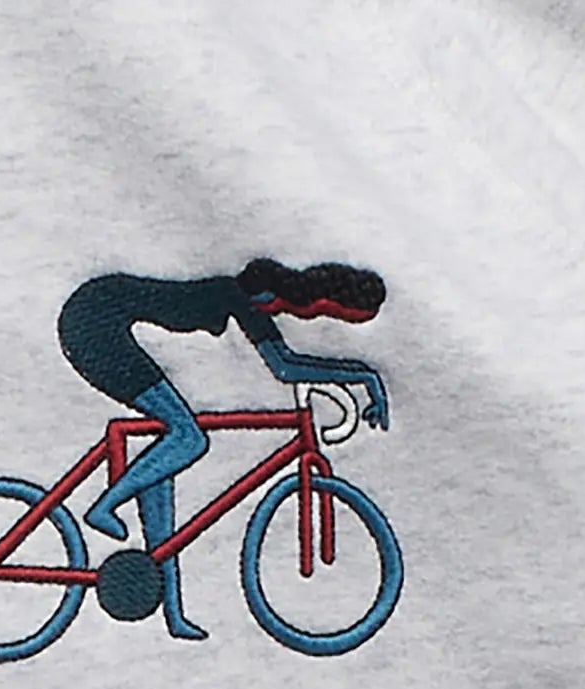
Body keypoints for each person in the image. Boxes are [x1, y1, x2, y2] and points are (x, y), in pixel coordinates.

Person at [55, 259, 390, 611]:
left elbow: (284, 360)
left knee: (163, 467)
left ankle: (173, 611)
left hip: (101, 317)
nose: (276, 317)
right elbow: (285, 366)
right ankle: (105, 506)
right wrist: (364, 376)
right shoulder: (240, 297)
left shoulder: (247, 294)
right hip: (95, 324)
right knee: (189, 438)